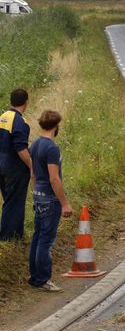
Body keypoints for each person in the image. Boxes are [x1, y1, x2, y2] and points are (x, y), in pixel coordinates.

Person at [29, 110, 72, 292]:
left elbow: (33, 174)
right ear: (56, 126)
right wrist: (64, 203)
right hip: (50, 198)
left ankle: (34, 276)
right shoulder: (52, 148)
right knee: (46, 240)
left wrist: (35, 192)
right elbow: (54, 178)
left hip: (38, 194)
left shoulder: (35, 144)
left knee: (38, 236)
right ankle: (43, 279)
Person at [0, 88, 32, 241]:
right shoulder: (20, 122)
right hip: (14, 168)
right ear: (25, 103)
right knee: (15, 203)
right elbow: (21, 149)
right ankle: (8, 237)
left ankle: (16, 235)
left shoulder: (3, 117)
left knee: (9, 201)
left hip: (1, 166)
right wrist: (32, 166)